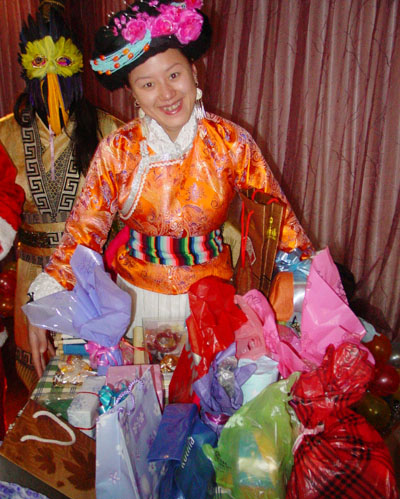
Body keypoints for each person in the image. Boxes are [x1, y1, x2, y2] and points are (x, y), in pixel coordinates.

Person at [27, 0, 314, 378]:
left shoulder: (231, 143)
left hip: (213, 301)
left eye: (174, 74)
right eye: (147, 84)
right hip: (137, 303)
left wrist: (311, 285)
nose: (165, 93)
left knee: (209, 398)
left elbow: (281, 223)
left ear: (194, 72)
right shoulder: (118, 150)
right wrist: (44, 302)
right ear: (133, 93)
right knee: (143, 398)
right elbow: (83, 234)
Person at [0, 0, 123, 391]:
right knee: (39, 384)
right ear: (25, 66)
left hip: (90, 279)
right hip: (30, 274)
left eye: (62, 61)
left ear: (77, 66)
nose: (51, 73)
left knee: (92, 382)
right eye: (40, 62)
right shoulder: (4, 135)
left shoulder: (110, 131)